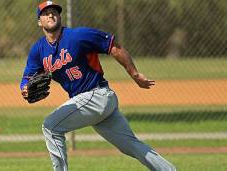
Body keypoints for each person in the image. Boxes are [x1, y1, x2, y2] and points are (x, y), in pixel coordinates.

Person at [20, 1, 176, 171]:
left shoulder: (78, 36)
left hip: (97, 95)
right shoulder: (38, 50)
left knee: (50, 127)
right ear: (39, 21)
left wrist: (135, 74)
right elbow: (28, 76)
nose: (51, 15)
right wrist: (25, 88)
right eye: (46, 12)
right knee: (131, 146)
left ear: (59, 16)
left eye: (54, 12)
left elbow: (113, 46)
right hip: (94, 103)